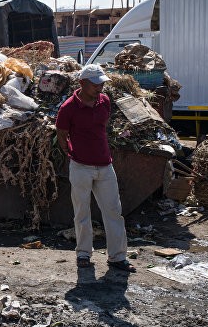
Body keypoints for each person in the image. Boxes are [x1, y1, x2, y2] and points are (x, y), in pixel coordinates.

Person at [55, 64, 135, 273]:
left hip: (105, 166)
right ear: (83, 83)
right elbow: (62, 135)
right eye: (96, 84)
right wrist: (73, 154)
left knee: (113, 212)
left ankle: (117, 257)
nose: (100, 87)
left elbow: (102, 127)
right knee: (82, 212)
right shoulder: (68, 108)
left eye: (102, 83)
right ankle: (83, 254)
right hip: (81, 167)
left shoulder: (104, 102)